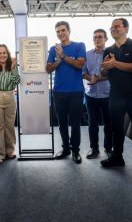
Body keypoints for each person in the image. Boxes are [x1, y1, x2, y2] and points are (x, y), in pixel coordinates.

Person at [99, 18, 132, 181]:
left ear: (126, 29)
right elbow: (104, 75)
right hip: (115, 96)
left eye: (117, 26)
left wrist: (115, 63)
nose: (113, 29)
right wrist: (105, 67)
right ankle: (117, 157)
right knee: (116, 130)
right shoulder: (108, 49)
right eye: (111, 27)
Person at [46, 21, 86, 164]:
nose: (60, 33)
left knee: (75, 123)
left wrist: (63, 56)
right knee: (62, 123)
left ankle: (75, 150)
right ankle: (65, 149)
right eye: (58, 31)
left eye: (63, 30)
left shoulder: (80, 45)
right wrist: (58, 60)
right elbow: (48, 69)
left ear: (69, 30)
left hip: (76, 91)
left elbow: (80, 65)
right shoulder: (53, 49)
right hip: (59, 92)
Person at [0, 44, 20, 164]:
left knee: (10, 125)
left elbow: (17, 81)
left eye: (4, 53)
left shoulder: (12, 65)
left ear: (8, 53)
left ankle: (10, 151)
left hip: (10, 96)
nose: (2, 55)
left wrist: (12, 70)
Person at [82, 29, 112, 159]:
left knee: (109, 123)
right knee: (92, 123)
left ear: (106, 39)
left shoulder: (111, 55)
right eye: (95, 37)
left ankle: (108, 148)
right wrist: (90, 79)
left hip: (108, 94)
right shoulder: (87, 54)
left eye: (100, 37)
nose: (97, 39)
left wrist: (100, 78)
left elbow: (114, 73)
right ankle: (94, 148)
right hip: (91, 95)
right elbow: (82, 72)